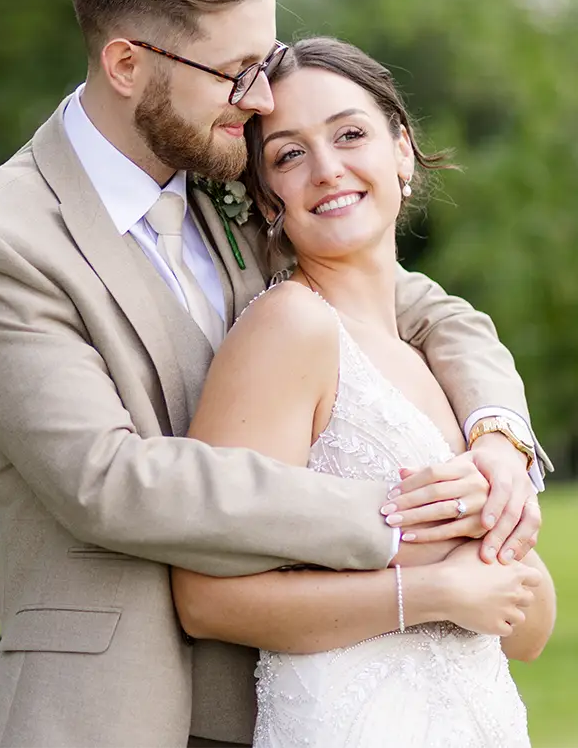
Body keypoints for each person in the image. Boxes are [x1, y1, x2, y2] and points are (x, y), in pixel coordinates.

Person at [0, 0, 549, 748]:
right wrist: (393, 519)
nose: (259, 100)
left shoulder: (232, 189)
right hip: (106, 713)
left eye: (266, 61)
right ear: (126, 64)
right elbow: (105, 481)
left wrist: (497, 434)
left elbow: (414, 302)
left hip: (290, 699)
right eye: (236, 70)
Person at [172, 37, 556, 747]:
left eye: (350, 134)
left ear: (402, 149)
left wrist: (490, 527)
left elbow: (528, 629)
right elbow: (205, 600)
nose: (327, 169)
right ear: (267, 196)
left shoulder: (431, 357)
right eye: (289, 154)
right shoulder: (288, 329)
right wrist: (432, 591)